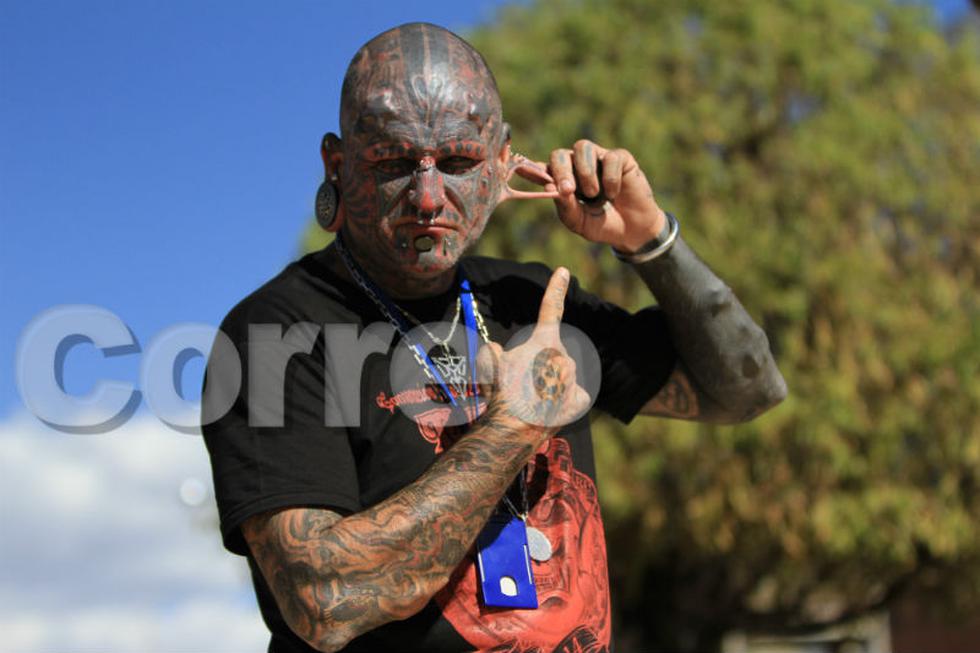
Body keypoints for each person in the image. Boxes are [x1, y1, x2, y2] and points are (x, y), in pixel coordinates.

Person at [202, 22, 786, 653]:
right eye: (394, 163)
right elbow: (324, 601)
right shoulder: (273, 334)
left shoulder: (533, 304)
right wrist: (514, 428)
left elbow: (742, 392)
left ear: (504, 164)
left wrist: (650, 241)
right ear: (338, 167)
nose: (428, 197)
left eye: (458, 162)